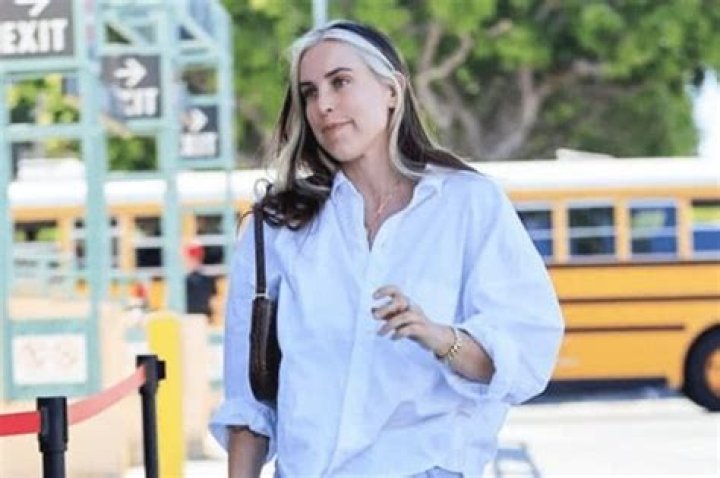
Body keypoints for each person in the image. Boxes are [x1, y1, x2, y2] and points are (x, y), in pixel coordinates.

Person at [210, 20, 564, 477]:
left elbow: (522, 360)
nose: (323, 105)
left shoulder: (468, 203)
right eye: (310, 92)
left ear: (392, 91)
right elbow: (248, 401)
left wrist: (438, 336)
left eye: (340, 82)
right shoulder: (276, 225)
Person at [184, 240, 217, 322]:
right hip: (187, 318)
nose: (194, 261)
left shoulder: (208, 279)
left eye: (196, 258)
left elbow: (212, 301)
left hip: (201, 318)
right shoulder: (181, 280)